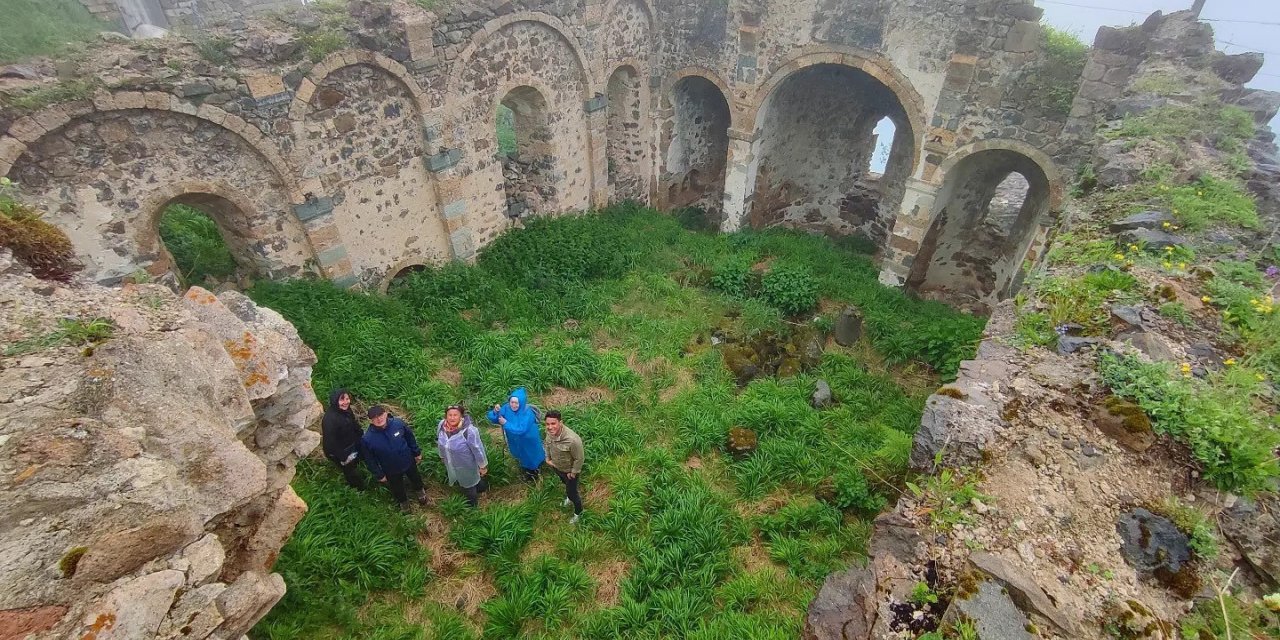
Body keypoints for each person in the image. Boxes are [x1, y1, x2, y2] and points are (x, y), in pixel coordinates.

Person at [362, 405, 429, 512]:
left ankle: (420, 492)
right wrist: (379, 474)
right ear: (370, 421)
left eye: (380, 415)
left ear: (385, 414)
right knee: (397, 488)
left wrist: (416, 452)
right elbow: (369, 459)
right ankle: (404, 504)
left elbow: (410, 438)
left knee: (415, 477)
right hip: (390, 469)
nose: (379, 419)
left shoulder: (398, 424)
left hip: (408, 460)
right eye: (374, 417)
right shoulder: (367, 438)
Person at [487, 387, 546, 483]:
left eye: (516, 403)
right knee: (520, 455)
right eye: (512, 402)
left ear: (521, 402)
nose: (513, 405)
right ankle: (526, 469)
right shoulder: (506, 408)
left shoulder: (527, 413)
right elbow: (495, 418)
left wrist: (505, 423)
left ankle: (533, 475)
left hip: (528, 440)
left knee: (531, 457)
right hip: (514, 440)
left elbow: (521, 429)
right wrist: (495, 412)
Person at [436, 404, 489, 508]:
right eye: (449, 415)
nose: (452, 418)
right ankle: (482, 488)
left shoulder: (469, 431)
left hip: (467, 464)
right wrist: (442, 456)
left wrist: (482, 465)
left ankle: (472, 506)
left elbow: (478, 449)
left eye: (455, 415)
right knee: (469, 480)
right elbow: (440, 443)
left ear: (461, 416)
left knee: (469, 485)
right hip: (451, 462)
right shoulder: (442, 426)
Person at [543, 410, 585, 524]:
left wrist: (573, 473)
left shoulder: (572, 440)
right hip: (557, 468)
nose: (550, 427)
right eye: (547, 424)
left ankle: (578, 512)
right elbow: (547, 444)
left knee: (573, 493)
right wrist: (548, 459)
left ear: (560, 422)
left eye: (553, 423)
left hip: (569, 472)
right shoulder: (549, 433)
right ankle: (569, 497)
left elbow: (579, 459)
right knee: (565, 484)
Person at [321, 388, 365, 490]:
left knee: (356, 460)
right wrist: (343, 457)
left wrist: (360, 433)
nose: (346, 402)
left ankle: (358, 464)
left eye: (347, 399)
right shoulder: (330, 420)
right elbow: (330, 443)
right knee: (349, 470)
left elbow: (353, 423)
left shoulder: (345, 410)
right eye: (342, 400)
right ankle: (358, 488)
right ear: (335, 401)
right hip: (340, 450)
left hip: (351, 442)